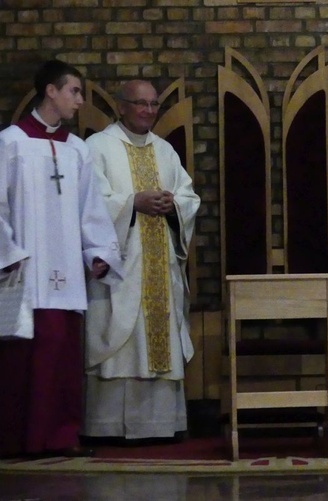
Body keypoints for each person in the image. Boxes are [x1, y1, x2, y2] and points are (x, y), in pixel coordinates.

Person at [0, 59, 123, 458]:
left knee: (64, 357)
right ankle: (23, 439)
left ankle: (60, 436)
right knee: (27, 359)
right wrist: (9, 253)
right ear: (50, 91)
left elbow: (91, 209)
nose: (80, 100)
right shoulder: (11, 143)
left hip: (67, 272)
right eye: (74, 91)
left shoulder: (77, 150)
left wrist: (97, 252)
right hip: (26, 271)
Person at [83, 80, 200, 441]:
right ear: (121, 106)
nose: (148, 111)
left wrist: (174, 206)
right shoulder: (97, 147)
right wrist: (131, 203)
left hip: (159, 266)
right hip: (120, 268)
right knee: (121, 339)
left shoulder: (165, 151)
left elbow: (188, 195)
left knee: (157, 338)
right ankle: (109, 427)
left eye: (153, 104)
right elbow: (87, 201)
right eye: (140, 104)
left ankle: (160, 425)